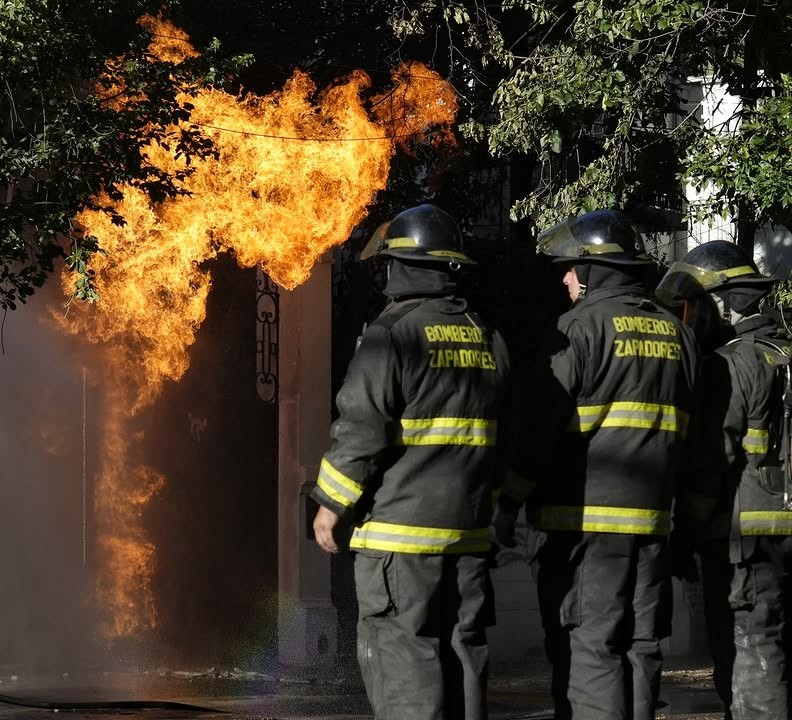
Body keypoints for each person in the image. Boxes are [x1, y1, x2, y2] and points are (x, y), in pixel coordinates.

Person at [493, 209, 697, 720]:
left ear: (592, 270)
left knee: (591, 649)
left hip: (584, 531)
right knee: (640, 648)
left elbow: (540, 429)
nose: (565, 278)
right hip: (653, 529)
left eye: (570, 268)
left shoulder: (578, 328)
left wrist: (509, 501)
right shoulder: (677, 334)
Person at [311, 204, 511, 720]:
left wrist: (330, 503)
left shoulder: (392, 333)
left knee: (405, 663)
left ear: (401, 266)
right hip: (468, 535)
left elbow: (362, 426)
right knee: (462, 661)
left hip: (401, 540)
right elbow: (505, 431)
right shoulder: (486, 335)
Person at [656, 240, 789, 720]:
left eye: (693, 307)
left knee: (753, 649)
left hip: (745, 539)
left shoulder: (729, 364)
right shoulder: (784, 353)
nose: (689, 320)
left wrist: (684, 534)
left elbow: (712, 460)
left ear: (720, 304)